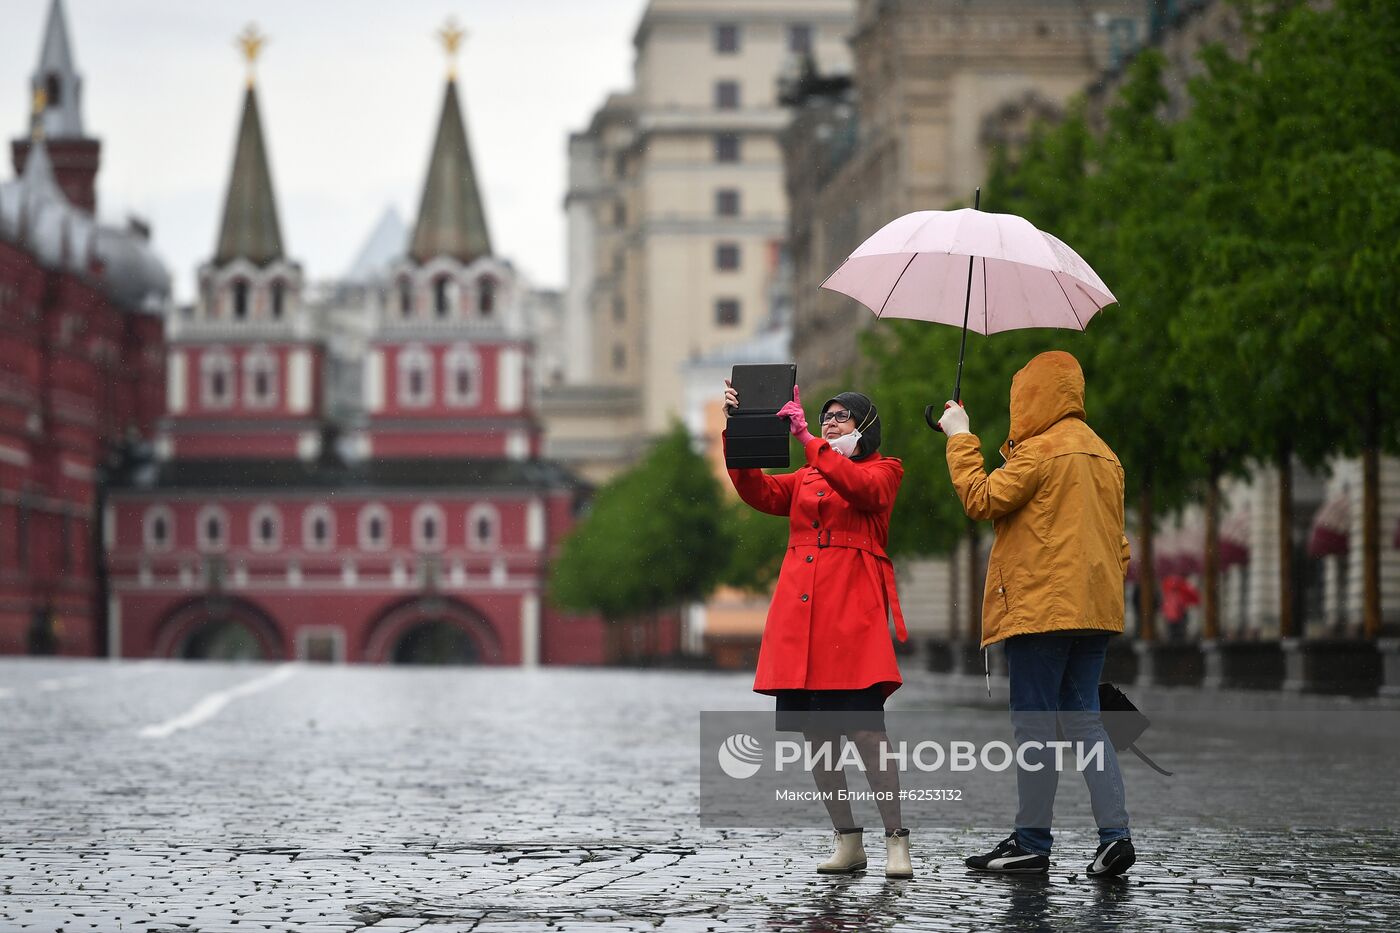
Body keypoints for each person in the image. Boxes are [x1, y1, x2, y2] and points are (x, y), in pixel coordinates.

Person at [936, 350, 1135, 878]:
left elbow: (980, 498)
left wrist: (959, 434)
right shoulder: (1107, 457)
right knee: (1085, 720)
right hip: (1096, 611)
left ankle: (1031, 841)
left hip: (1041, 610)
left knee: (1034, 726)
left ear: (1032, 396)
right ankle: (1115, 836)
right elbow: (1120, 546)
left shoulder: (1039, 453)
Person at [723, 380, 913, 879]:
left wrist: (810, 439)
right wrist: (738, 429)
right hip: (803, 618)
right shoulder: (808, 474)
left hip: (851, 617)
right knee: (819, 738)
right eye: (825, 416)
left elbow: (861, 490)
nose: (829, 423)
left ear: (865, 428)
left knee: (869, 733)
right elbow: (756, 489)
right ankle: (848, 840)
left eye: (840, 417)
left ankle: (897, 840)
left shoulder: (884, 470)